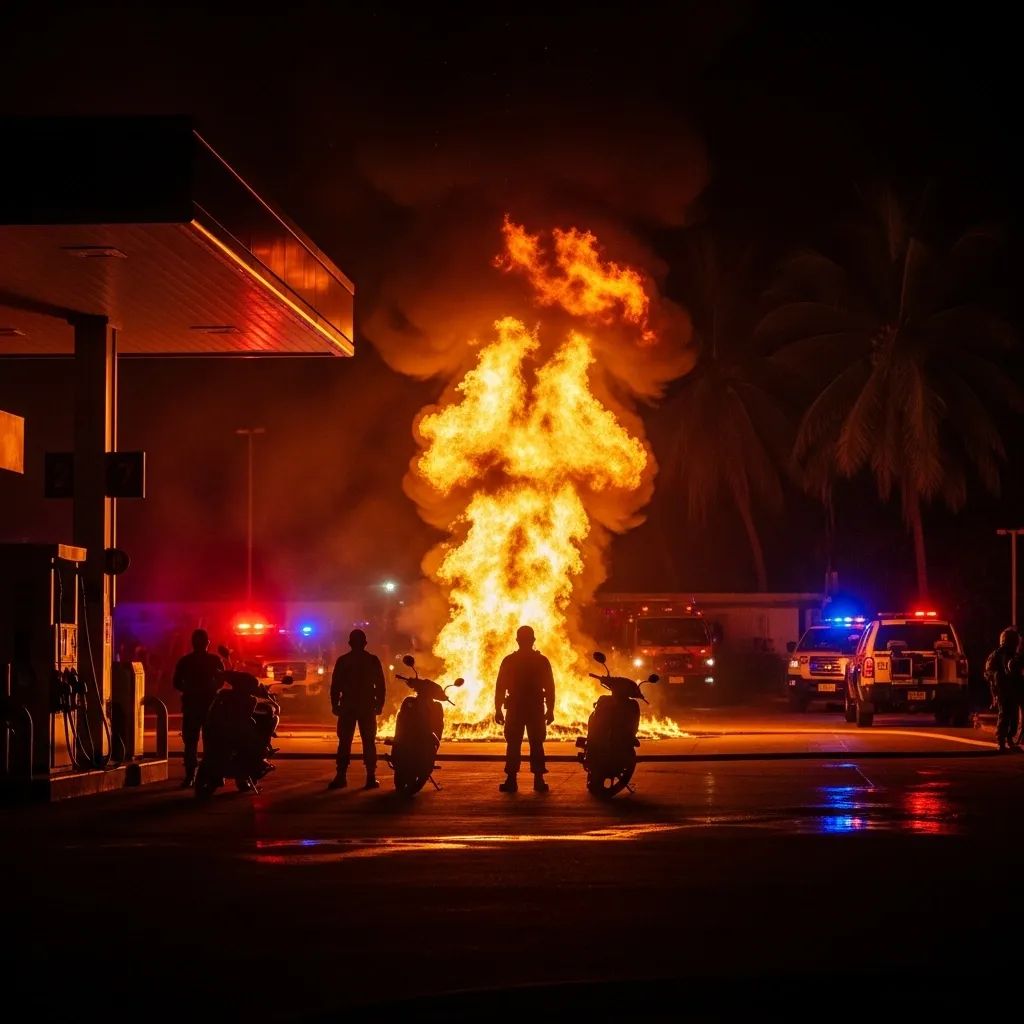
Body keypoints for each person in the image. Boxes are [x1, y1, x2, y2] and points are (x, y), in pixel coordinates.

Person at [494, 625, 556, 793]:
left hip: (516, 707)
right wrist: (550, 709)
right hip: (535, 708)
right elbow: (550, 688)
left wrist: (498, 709)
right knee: (537, 743)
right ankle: (538, 780)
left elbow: (500, 687)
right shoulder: (542, 661)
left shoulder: (509, 660)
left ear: (517, 640)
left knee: (513, 744)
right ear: (533, 640)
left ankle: (511, 780)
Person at [328, 629, 386, 790]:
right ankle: (370, 777)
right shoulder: (372, 660)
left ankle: (341, 776)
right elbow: (380, 685)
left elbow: (335, 686)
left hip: (348, 706)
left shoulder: (343, 661)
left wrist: (335, 705)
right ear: (365, 643)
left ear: (350, 644)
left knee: (344, 742)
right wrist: (379, 704)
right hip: (366, 706)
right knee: (369, 742)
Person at [172, 628, 225, 787]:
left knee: (190, 742)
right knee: (211, 742)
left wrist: (189, 690)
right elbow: (221, 680)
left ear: (192, 643)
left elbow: (176, 682)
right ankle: (214, 775)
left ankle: (190, 776)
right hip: (209, 706)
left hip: (191, 706)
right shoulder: (215, 660)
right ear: (208, 643)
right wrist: (210, 689)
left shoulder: (185, 661)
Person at [985, 626, 1020, 752]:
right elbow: (990, 673)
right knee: (1005, 715)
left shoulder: (1014, 655)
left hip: (1013, 690)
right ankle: (1001, 741)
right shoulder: (998, 655)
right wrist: (995, 691)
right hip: (1003, 690)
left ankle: (1010, 739)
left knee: (1014, 716)